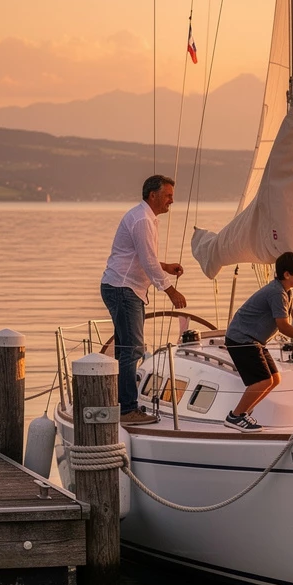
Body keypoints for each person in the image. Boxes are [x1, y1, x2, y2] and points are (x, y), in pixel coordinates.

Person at [100, 174, 187, 425]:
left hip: (123, 287)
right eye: (168, 195)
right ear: (153, 195)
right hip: (123, 289)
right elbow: (147, 261)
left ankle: (120, 403)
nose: (172, 200)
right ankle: (127, 409)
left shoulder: (146, 218)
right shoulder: (142, 220)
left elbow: (141, 256)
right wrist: (171, 290)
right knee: (132, 349)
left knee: (126, 349)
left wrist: (165, 266)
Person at [223, 251, 293, 431]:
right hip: (242, 339)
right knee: (262, 381)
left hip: (254, 340)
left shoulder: (288, 292)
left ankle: (244, 414)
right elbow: (284, 327)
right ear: (287, 274)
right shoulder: (276, 293)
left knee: (274, 379)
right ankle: (235, 416)